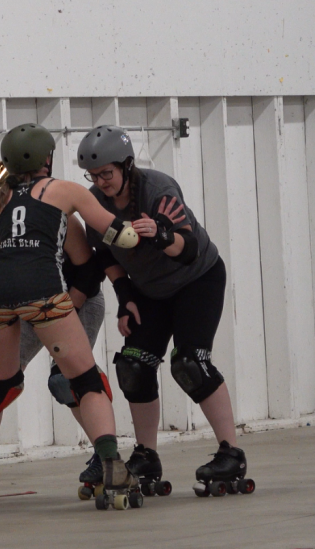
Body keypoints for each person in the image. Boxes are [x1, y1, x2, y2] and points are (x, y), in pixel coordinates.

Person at [0, 124, 145, 514]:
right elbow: (120, 236)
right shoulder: (64, 190)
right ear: (47, 158)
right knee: (84, 378)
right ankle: (113, 466)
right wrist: (143, 232)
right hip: (43, 294)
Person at [77, 126, 254, 497]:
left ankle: (230, 452)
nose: (101, 182)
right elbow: (106, 255)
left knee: (190, 362)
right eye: (93, 176)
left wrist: (159, 233)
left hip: (197, 279)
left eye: (107, 173)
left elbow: (187, 248)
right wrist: (126, 298)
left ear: (126, 166)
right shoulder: (96, 203)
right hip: (148, 291)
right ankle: (146, 455)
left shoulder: (158, 190)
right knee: (133, 364)